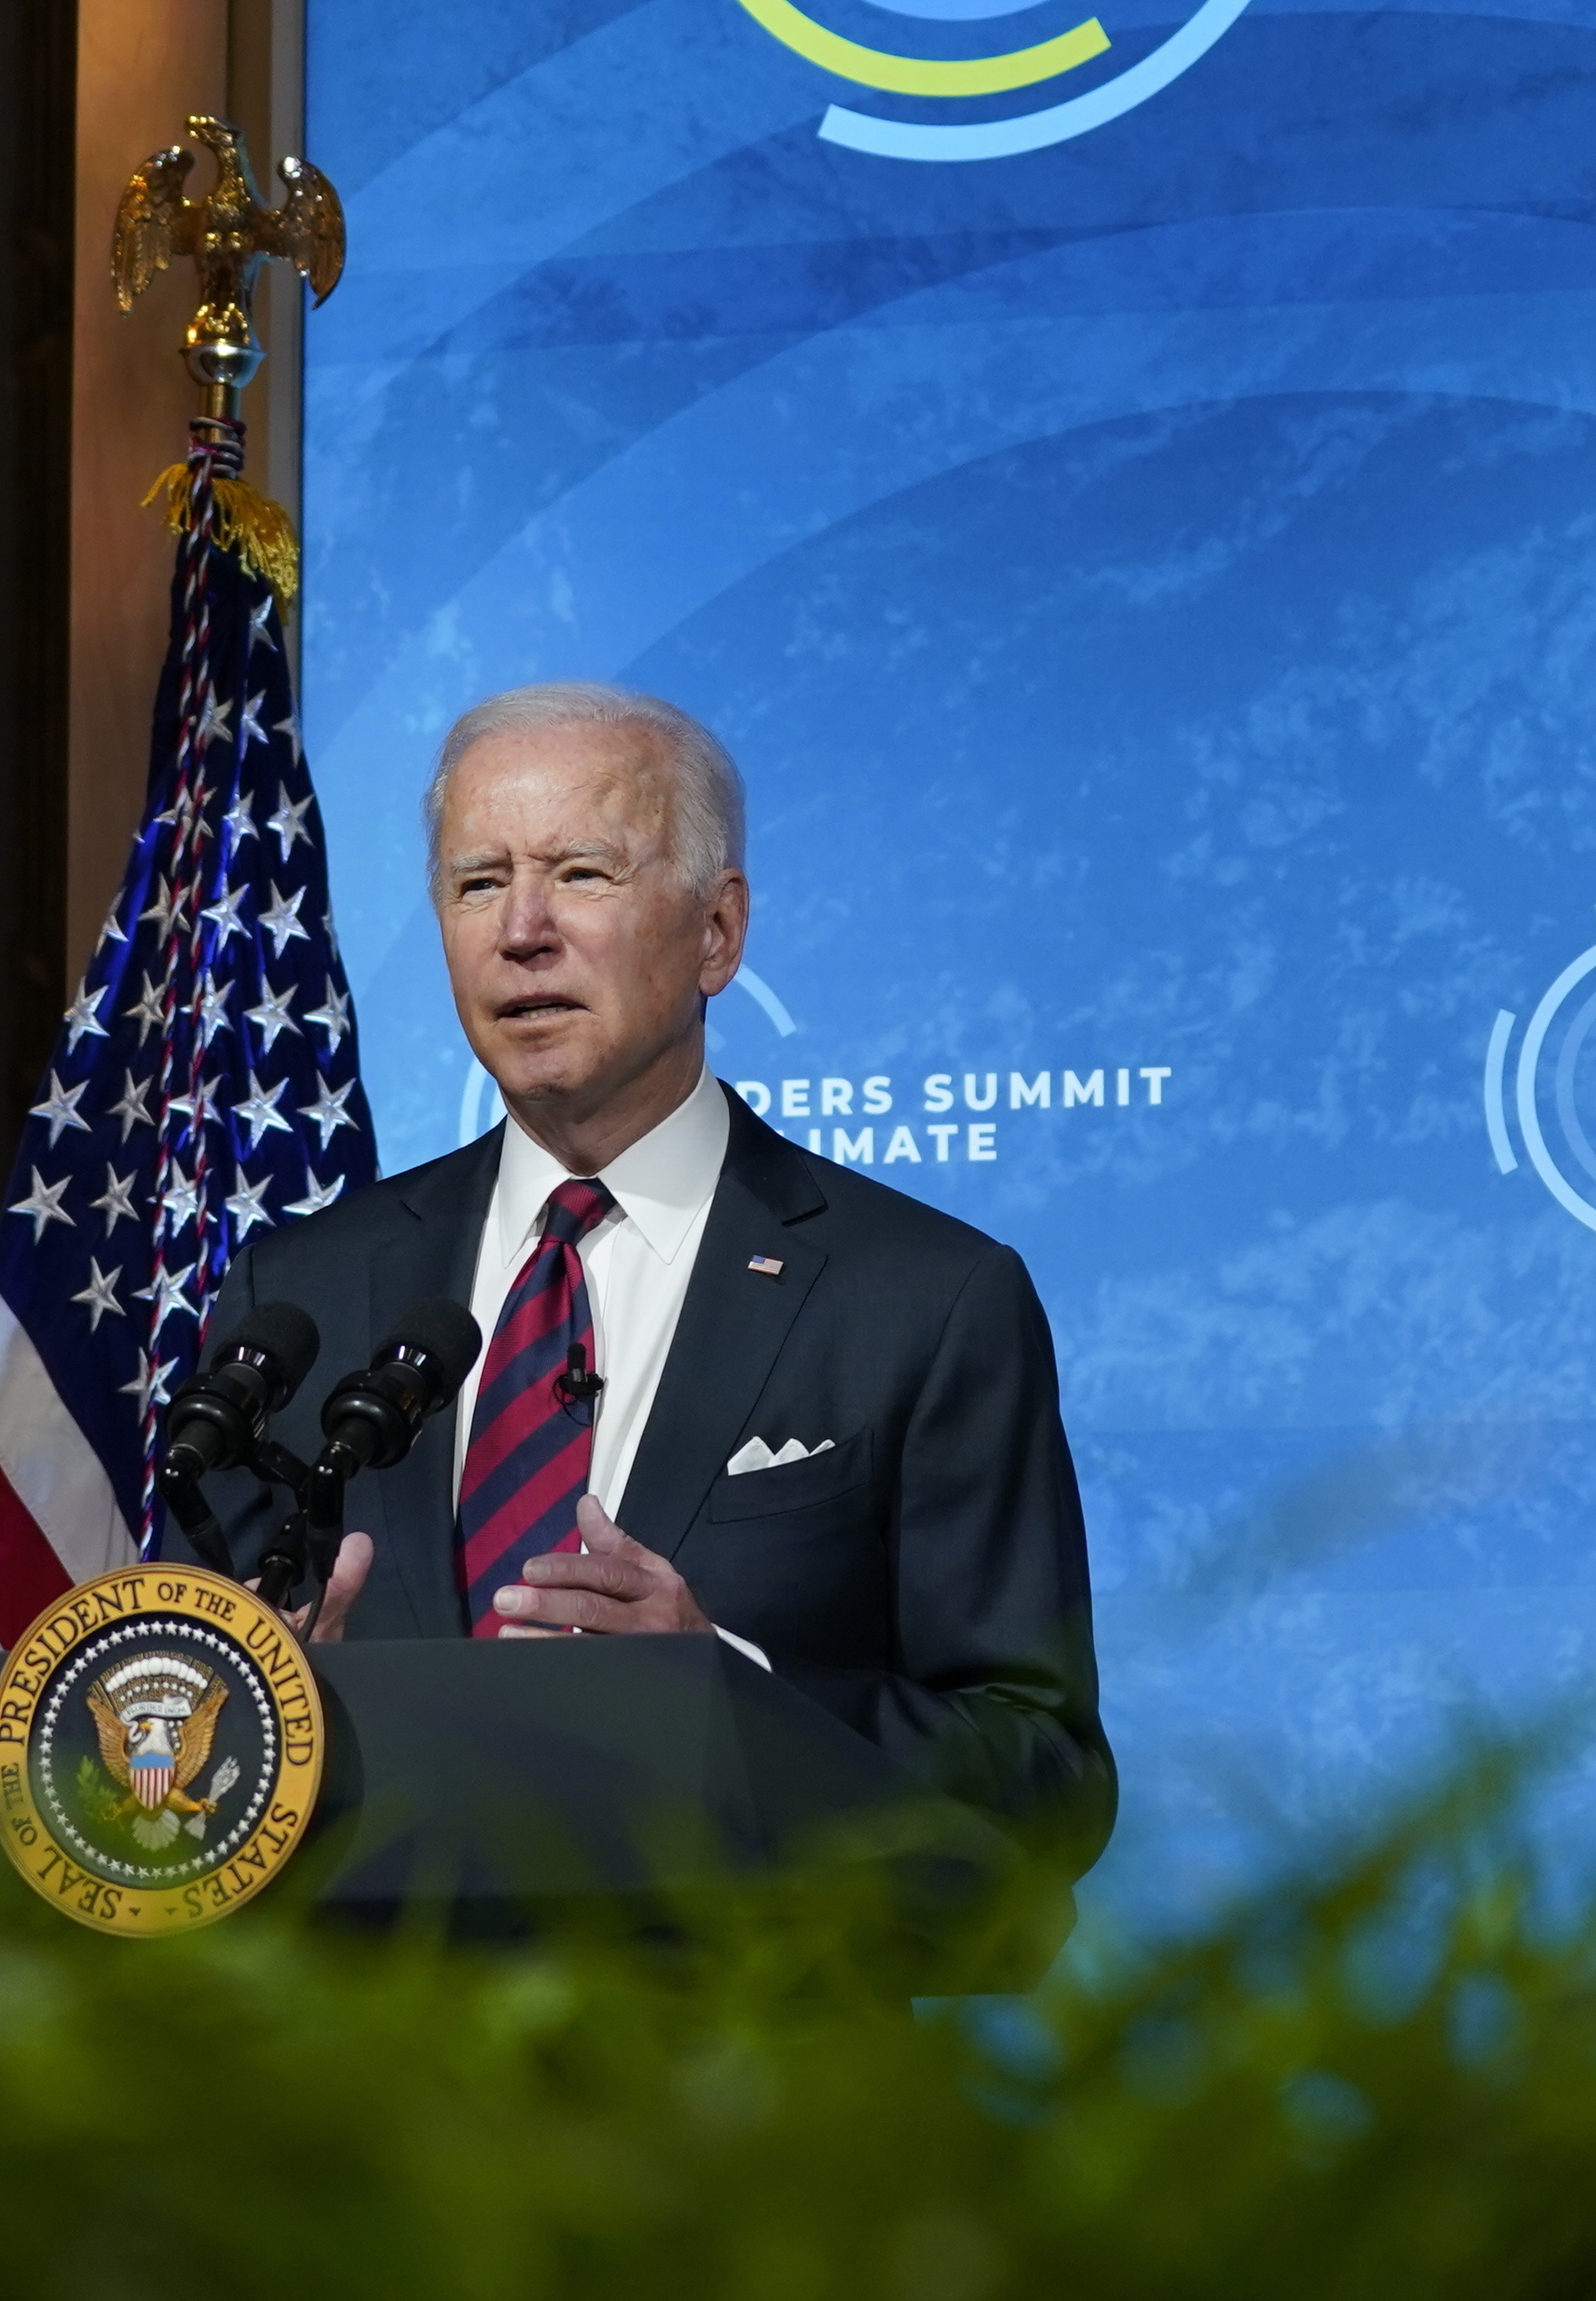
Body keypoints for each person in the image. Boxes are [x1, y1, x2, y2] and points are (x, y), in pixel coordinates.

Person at [188, 680, 1112, 1863]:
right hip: (383, 2029)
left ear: (717, 932)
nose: (522, 928)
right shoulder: (301, 1293)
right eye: (479, 883)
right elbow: (185, 1740)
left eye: (581, 873)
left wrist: (724, 1696)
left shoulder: (924, 1300)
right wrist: (267, 1705)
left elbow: (1043, 1778)